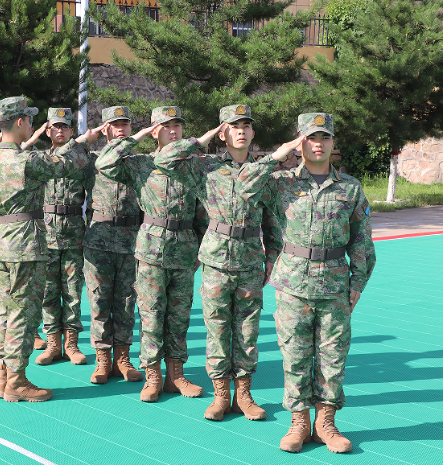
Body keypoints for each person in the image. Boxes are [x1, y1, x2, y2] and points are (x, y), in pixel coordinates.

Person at [154, 104, 292, 421]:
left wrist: (272, 258)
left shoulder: (264, 173)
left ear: (254, 133)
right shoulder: (206, 167)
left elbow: (272, 222)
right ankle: (220, 395)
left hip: (250, 260)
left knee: (247, 332)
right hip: (216, 260)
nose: (241, 129)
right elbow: (163, 160)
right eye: (233, 125)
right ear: (223, 132)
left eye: (246, 125)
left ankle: (243, 395)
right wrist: (201, 139)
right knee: (217, 330)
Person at [262, 113, 376, 453]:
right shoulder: (280, 182)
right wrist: (276, 155)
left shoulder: (350, 187)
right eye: (311, 137)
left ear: (332, 143)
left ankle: (326, 423)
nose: (318, 143)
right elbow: (241, 186)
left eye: (324, 137)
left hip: (335, 284)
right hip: (293, 284)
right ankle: (299, 423)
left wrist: (358, 282)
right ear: (300, 141)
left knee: (333, 356)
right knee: (295, 355)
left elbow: (362, 241)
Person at [0, 96, 102, 402]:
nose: (32, 125)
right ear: (20, 122)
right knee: (25, 314)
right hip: (25, 245)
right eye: (30, 120)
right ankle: (17, 382)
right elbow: (68, 165)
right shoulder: (26, 161)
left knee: (5, 312)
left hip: (1, 241)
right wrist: (82, 141)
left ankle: (3, 377)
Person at [96, 106, 207, 402]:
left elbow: (203, 213)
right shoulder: (140, 164)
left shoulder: (193, 166)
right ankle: (153, 376)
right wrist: (136, 137)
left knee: (179, 315)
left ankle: (177, 375)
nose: (174, 131)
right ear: (155, 130)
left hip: (183, 249)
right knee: (151, 315)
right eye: (167, 126)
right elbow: (105, 163)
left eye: (178, 126)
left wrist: (199, 248)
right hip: (151, 250)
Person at [24, 108, 88, 366]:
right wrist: (33, 136)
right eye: (55, 127)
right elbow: (16, 155)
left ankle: (71, 344)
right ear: (47, 131)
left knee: (72, 291)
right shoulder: (38, 158)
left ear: (72, 131)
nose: (60, 131)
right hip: (46, 233)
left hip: (73, 233)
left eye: (65, 127)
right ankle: (52, 344)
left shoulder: (81, 158)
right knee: (49, 291)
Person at [85, 106, 144, 385]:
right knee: (99, 301)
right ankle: (102, 359)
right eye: (115, 124)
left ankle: (123, 358)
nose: (121, 129)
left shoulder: (141, 162)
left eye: (125, 124)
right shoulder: (93, 159)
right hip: (100, 240)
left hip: (131, 239)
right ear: (105, 128)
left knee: (126, 302)